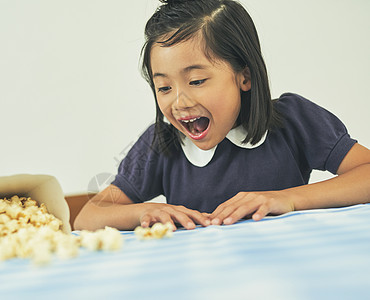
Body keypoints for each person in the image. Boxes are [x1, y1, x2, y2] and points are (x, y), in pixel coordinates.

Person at [74, 0, 370, 231]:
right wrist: (143, 211)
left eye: (196, 81)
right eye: (163, 86)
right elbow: (88, 216)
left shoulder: (293, 120)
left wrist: (289, 198)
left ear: (245, 76)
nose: (180, 102)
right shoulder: (160, 144)